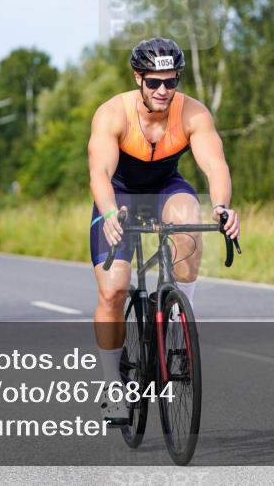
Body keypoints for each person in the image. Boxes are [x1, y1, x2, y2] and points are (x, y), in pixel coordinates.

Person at [87, 37, 240, 424]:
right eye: (154, 82)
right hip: (118, 195)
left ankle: (177, 316)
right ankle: (112, 386)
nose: (162, 91)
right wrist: (108, 214)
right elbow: (100, 174)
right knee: (114, 288)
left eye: (170, 82)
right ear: (138, 78)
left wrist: (222, 207)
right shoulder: (112, 114)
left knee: (190, 218)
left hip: (165, 188)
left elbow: (216, 166)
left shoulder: (193, 113)